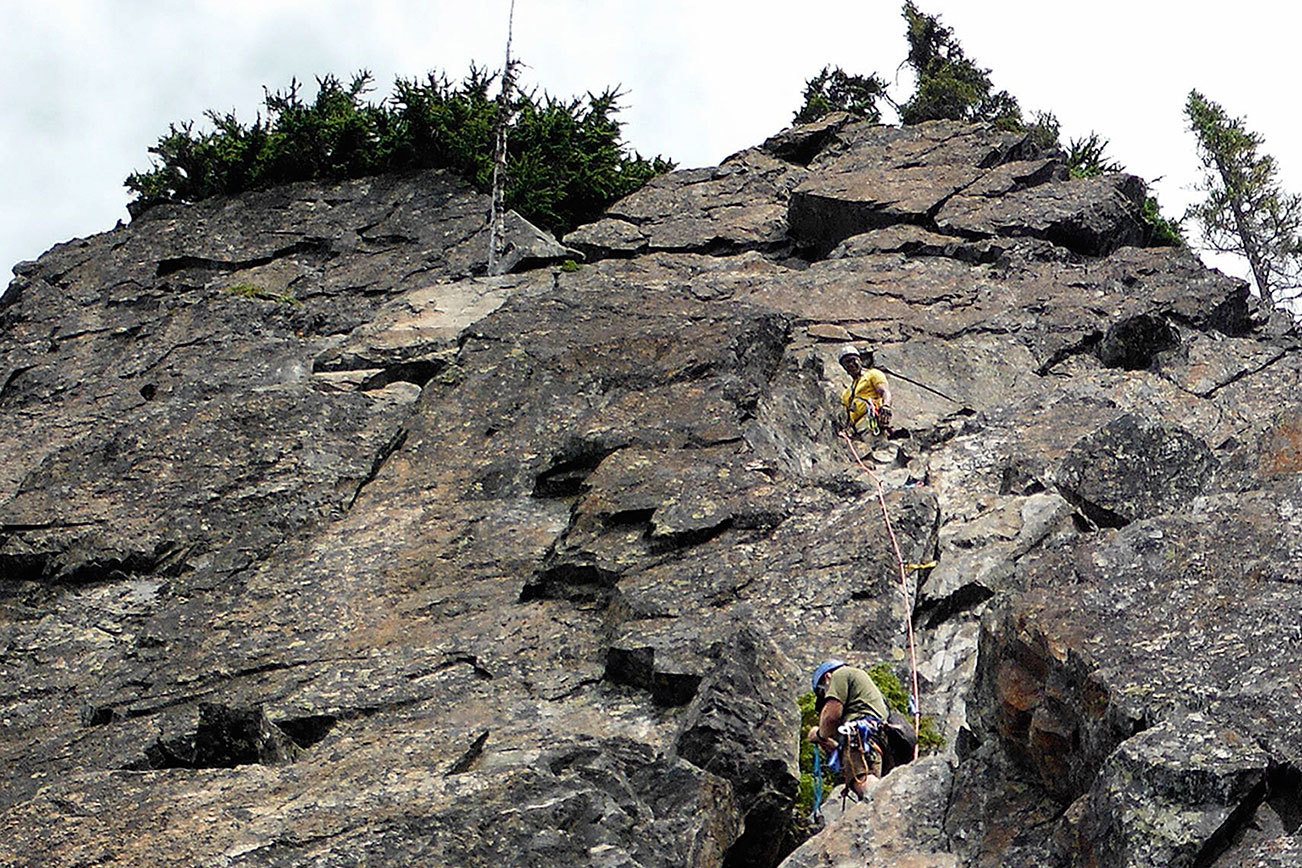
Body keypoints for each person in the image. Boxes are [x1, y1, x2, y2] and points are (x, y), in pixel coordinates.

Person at [807, 659, 890, 798]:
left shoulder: (839, 674)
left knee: (862, 781)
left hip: (858, 735)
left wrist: (819, 734)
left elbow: (832, 716)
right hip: (876, 740)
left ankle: (880, 799)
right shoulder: (863, 684)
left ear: (827, 678)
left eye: (824, 693)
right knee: (870, 777)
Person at [837, 345, 893, 438]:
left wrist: (886, 406)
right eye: (847, 363)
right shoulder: (846, 394)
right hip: (857, 430)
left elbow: (884, 391)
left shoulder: (872, 374)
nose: (851, 364)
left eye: (853, 360)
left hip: (872, 422)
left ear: (860, 360)